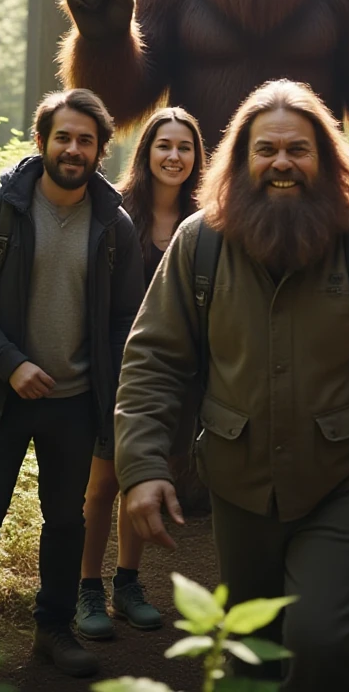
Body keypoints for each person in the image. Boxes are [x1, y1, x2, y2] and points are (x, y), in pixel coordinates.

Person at [114, 79, 349, 692]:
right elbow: (152, 359)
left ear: (326, 160)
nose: (282, 162)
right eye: (266, 150)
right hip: (238, 480)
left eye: (299, 150)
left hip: (343, 478)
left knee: (323, 642)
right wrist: (142, 468)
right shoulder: (200, 243)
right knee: (253, 649)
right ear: (241, 159)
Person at [0, 89, 144, 678]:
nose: (73, 149)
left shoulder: (114, 227)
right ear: (42, 142)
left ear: (101, 150)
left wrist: (117, 400)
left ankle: (53, 630)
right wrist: (11, 364)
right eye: (63, 137)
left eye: (85, 140)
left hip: (75, 404)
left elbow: (127, 323)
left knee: (65, 523)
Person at [76, 107, 205, 641]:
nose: (174, 157)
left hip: (181, 379)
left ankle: (128, 584)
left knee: (146, 477)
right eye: (164, 146)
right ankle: (87, 589)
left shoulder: (207, 222)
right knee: (103, 482)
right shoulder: (115, 214)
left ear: (197, 158)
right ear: (147, 152)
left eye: (185, 148)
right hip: (117, 372)